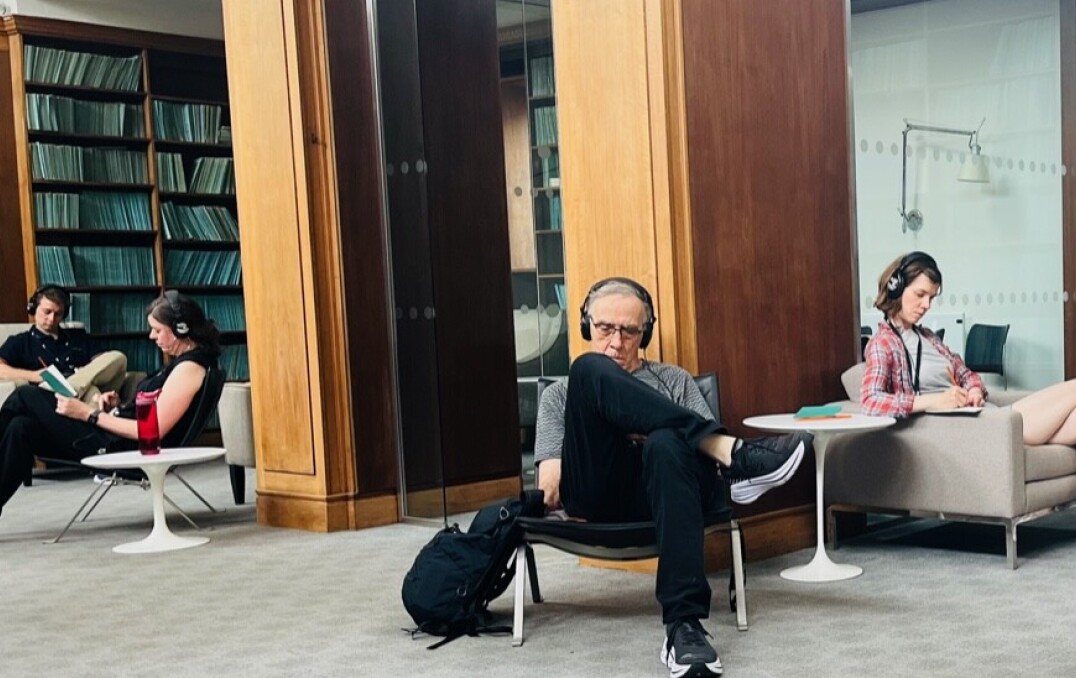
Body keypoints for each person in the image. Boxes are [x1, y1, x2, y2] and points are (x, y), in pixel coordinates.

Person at [535, 277, 810, 678]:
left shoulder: (675, 380)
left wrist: (654, 431)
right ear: (586, 326)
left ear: (645, 333)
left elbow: (702, 469)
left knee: (666, 442)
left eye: (629, 331)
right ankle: (733, 451)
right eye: (605, 328)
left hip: (664, 495)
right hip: (598, 497)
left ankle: (683, 626)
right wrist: (624, 430)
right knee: (588, 368)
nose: (616, 342)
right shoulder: (563, 394)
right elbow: (550, 490)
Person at [0, 290, 221, 513]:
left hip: (117, 446)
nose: (151, 336)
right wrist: (119, 407)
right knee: (20, 428)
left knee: (25, 395)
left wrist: (89, 414)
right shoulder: (184, 363)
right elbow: (152, 411)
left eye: (157, 330)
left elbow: (151, 432)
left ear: (180, 329)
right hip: (112, 437)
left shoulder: (189, 369)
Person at [862, 252, 1076, 446]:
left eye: (931, 297)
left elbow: (967, 375)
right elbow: (870, 401)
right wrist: (933, 401)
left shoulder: (929, 338)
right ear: (896, 289)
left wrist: (974, 391)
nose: (927, 305)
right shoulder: (883, 343)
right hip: (972, 427)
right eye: (920, 294)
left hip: (983, 414)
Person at [0, 284, 127, 403]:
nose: (51, 319)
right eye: (47, 312)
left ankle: (73, 391)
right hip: (49, 393)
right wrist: (33, 376)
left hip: (86, 389)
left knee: (118, 357)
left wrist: (86, 372)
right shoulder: (20, 341)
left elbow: (103, 362)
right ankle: (75, 394)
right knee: (93, 394)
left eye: (58, 314)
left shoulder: (79, 336)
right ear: (33, 309)